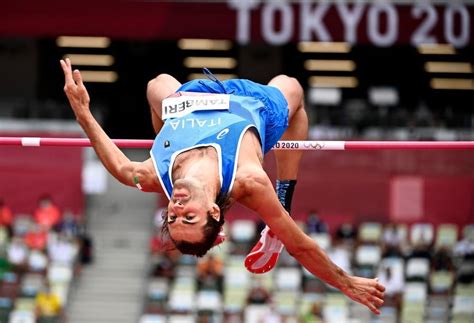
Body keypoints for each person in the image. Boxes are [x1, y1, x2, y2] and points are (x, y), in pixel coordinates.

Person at [60, 58, 385, 314]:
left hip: (191, 104)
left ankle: (167, 135)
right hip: (250, 108)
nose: (176, 210)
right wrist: (346, 283)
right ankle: (284, 200)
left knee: (156, 85)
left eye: (172, 219)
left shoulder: (153, 175)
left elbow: (119, 167)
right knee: (292, 89)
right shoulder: (248, 180)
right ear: (214, 209)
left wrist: (83, 112)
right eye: (189, 217)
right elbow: (300, 245)